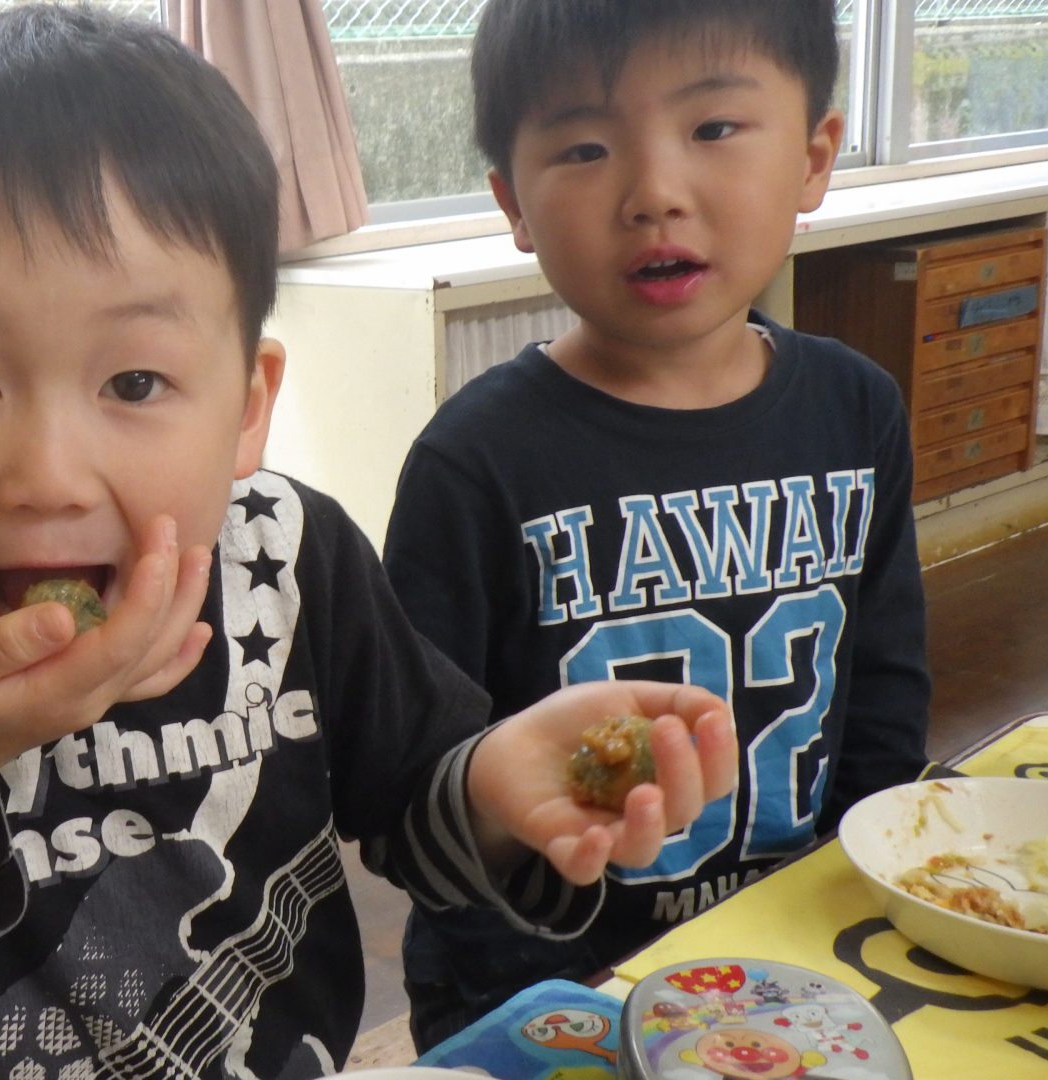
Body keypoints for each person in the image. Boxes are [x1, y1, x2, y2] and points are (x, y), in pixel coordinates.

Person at [0, 7, 736, 1078]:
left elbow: (416, 806)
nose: (49, 476)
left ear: (245, 407)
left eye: (134, 381)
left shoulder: (292, 562)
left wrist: (498, 787)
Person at [382, 0, 932, 1053]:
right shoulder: (474, 462)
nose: (654, 193)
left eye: (713, 127)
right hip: (548, 992)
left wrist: (858, 903)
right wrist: (529, 992)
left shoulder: (857, 409)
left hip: (794, 962)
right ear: (514, 203)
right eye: (585, 149)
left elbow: (884, 691)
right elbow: (422, 793)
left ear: (814, 157)